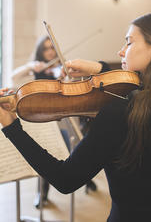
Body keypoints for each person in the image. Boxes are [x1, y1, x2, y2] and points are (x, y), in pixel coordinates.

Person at [0, 13, 151, 221]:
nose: (121, 51)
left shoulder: (120, 112)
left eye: (129, 42)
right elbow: (138, 84)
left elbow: (64, 179)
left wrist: (12, 128)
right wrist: (100, 68)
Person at [12, 35, 97, 208]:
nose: (50, 52)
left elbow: (73, 87)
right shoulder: (37, 68)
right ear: (40, 51)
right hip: (43, 115)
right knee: (46, 152)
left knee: (77, 148)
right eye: (46, 49)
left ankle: (87, 180)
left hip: (63, 115)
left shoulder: (62, 67)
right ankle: (42, 193)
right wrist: (30, 66)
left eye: (52, 48)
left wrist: (64, 75)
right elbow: (14, 76)